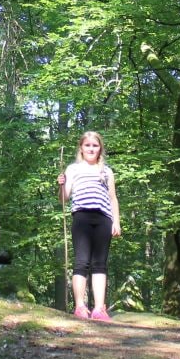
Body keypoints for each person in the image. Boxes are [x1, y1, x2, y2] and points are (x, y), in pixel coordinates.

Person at [57, 131, 121, 320]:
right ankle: (80, 307)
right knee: (81, 262)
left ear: (100, 148)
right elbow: (64, 198)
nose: (91, 148)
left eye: (95, 145)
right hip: (82, 217)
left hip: (103, 218)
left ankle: (99, 308)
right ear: (81, 148)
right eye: (87, 145)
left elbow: (112, 198)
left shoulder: (106, 171)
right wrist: (60, 185)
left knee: (100, 263)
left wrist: (116, 221)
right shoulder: (73, 169)